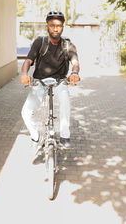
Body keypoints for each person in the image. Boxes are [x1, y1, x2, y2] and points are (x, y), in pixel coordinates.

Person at [20, 11, 80, 149]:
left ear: (62, 27)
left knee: (65, 99)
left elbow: (75, 62)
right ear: (47, 26)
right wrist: (24, 74)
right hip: (40, 81)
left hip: (60, 82)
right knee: (26, 112)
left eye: (59, 25)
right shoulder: (39, 42)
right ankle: (36, 136)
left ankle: (65, 136)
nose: (55, 28)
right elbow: (28, 61)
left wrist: (74, 73)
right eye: (52, 25)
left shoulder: (68, 45)